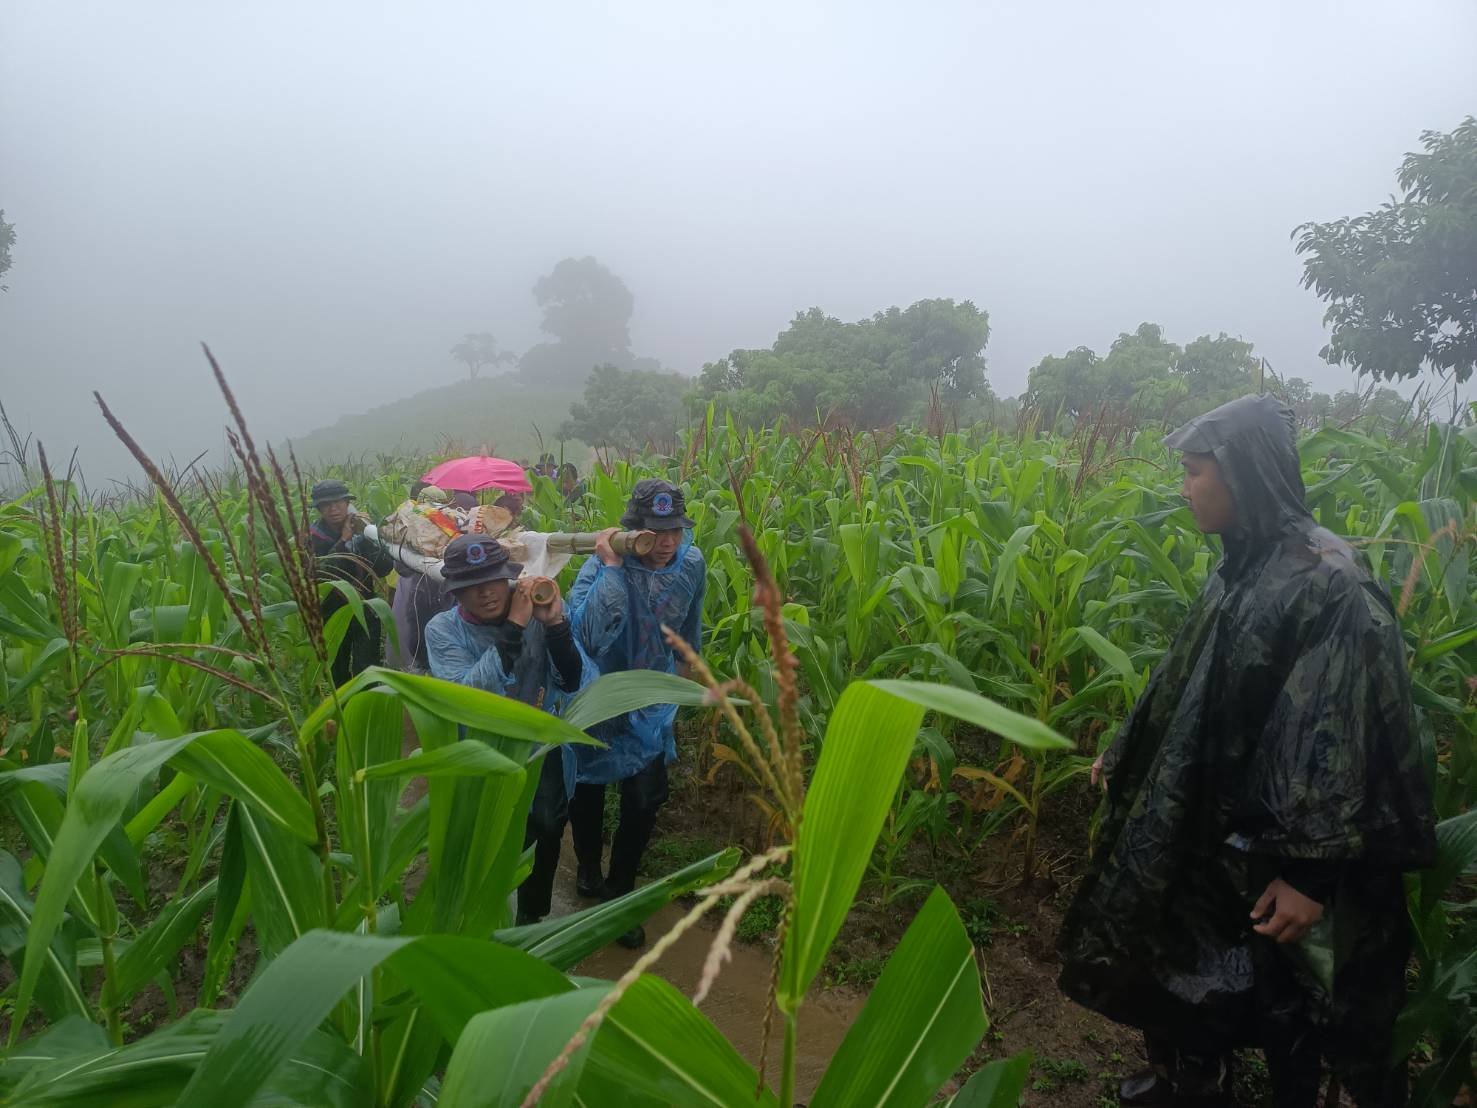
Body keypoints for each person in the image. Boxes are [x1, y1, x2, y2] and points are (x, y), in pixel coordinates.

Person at [1057, 395, 1435, 1107]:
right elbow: (1182, 675)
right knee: (1180, 953)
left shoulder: (1329, 585)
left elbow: (1345, 741)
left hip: (1272, 846)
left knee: (1284, 993)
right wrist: (1127, 745)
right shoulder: (1239, 566)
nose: (1183, 487)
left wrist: (1309, 878)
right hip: (1200, 820)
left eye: (1195, 471)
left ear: (1244, 473)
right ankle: (1194, 1078)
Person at [424, 534, 594, 926]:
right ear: (455, 592)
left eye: (494, 580)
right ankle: (482, 912)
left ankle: (531, 916)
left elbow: (570, 680)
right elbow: (469, 698)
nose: (486, 593)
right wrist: (516, 626)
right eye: (471, 586)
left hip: (537, 736)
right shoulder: (442, 631)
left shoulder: (537, 609)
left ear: (509, 578)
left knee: (549, 825)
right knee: (486, 831)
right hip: (479, 744)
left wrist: (554, 625)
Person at [566, 478, 705, 949]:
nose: (666, 542)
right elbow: (582, 634)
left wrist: (684, 677)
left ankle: (619, 893)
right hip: (601, 692)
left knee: (645, 797)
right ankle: (587, 865)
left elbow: (690, 623)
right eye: (654, 532)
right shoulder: (601, 565)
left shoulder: (691, 563)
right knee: (587, 784)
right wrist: (610, 568)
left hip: (652, 695)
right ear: (633, 530)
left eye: (674, 531)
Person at [309, 478, 395, 686]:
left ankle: (366, 710)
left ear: (347, 503)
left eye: (338, 502)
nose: (333, 509)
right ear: (319, 509)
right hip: (332, 612)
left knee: (367, 668)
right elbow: (321, 574)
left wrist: (370, 536)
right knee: (338, 669)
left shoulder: (362, 531)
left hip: (366, 608)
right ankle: (345, 712)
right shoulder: (313, 537)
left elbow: (384, 568)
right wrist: (344, 539)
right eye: (326, 505)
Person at [388, 483, 477, 673]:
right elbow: (401, 566)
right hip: (424, 594)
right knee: (421, 640)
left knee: (435, 640)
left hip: (442, 596)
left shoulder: (454, 525)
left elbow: (400, 566)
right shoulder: (414, 525)